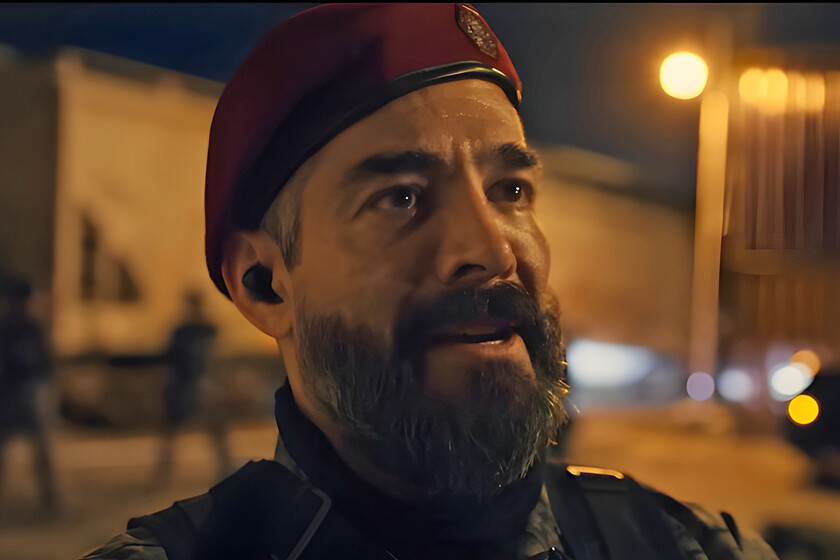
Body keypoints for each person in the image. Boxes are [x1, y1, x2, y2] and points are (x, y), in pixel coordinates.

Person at [81, 4, 778, 559]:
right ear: (265, 284)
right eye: (403, 197)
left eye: (510, 190)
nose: (491, 250)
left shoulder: (686, 546)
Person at [155, 291, 230, 485]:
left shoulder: (206, 329)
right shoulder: (183, 331)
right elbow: (173, 360)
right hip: (183, 386)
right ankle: (162, 473)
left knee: (216, 429)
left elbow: (214, 358)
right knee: (171, 431)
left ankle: (225, 468)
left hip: (201, 386)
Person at [0, 274, 57, 513]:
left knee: (42, 449)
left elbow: (45, 364)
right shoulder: (6, 327)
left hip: (31, 395)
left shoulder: (33, 327)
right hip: (8, 396)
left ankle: (50, 499)